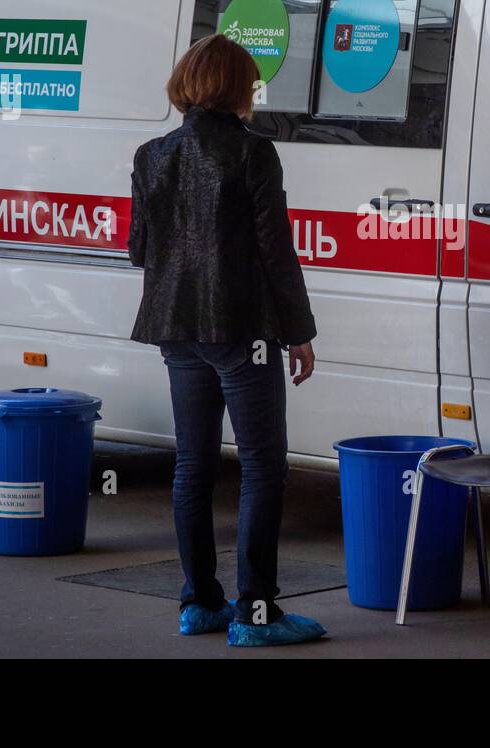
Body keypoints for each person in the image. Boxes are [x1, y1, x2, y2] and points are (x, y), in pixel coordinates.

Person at [127, 34, 325, 647]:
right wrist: (299, 333)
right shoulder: (253, 154)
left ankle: (200, 604)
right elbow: (275, 251)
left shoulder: (151, 155)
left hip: (176, 329)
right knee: (263, 467)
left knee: (193, 464)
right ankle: (256, 615)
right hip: (243, 332)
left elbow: (139, 250)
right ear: (238, 88)